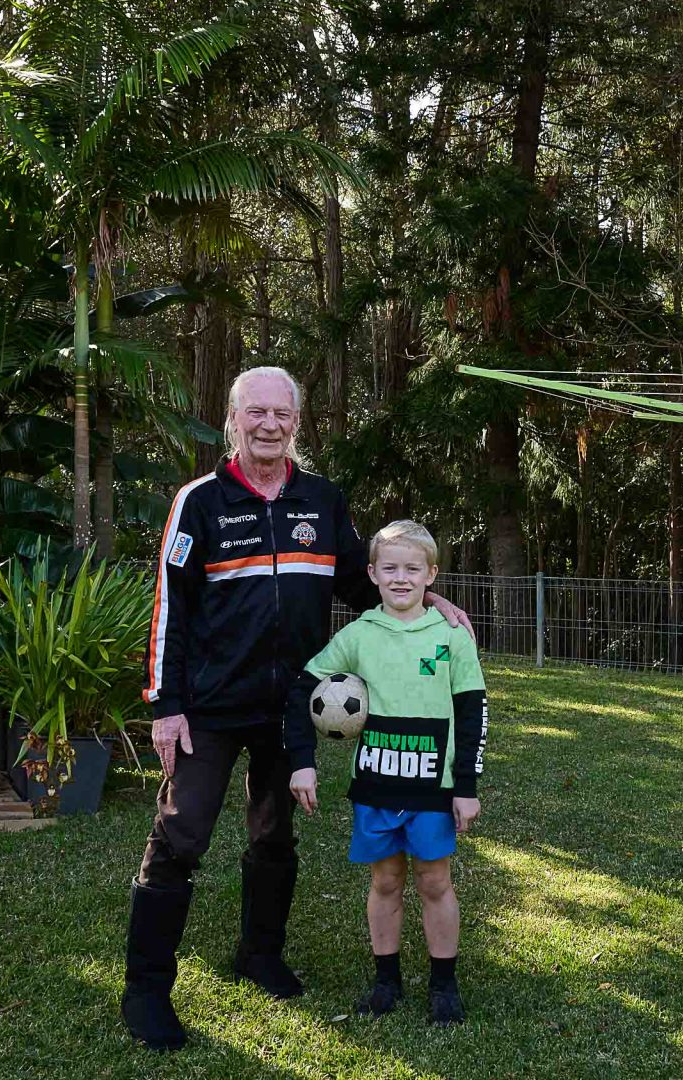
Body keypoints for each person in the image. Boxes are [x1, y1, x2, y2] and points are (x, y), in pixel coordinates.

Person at [121, 367, 471, 1053]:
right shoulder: (200, 503)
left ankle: (259, 954)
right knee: (181, 836)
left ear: (297, 422)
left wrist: (429, 603)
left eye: (282, 414)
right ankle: (145, 989)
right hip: (212, 708)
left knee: (274, 835)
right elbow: (170, 608)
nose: (270, 425)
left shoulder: (323, 500)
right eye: (257, 413)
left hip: (291, 707)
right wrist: (166, 706)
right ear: (233, 418)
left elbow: (366, 581)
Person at [286, 520, 487, 1027]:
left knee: (435, 881)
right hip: (375, 785)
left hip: (433, 788)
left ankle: (444, 984)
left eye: (412, 568)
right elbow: (300, 688)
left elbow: (473, 714)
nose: (401, 578)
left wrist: (466, 787)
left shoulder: (451, 636)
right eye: (390, 568)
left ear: (431, 575)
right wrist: (302, 760)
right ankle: (386, 980)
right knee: (386, 881)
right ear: (372, 573)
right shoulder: (357, 636)